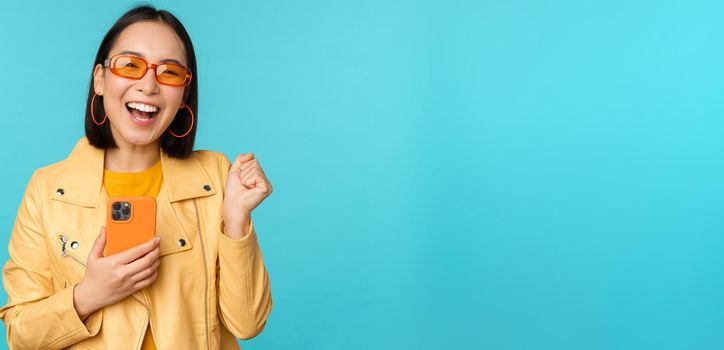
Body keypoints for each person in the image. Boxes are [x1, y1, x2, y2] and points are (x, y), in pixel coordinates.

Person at [0, 5, 273, 349]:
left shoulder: (216, 176)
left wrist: (236, 222)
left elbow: (247, 323)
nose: (148, 85)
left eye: (170, 73)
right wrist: (88, 296)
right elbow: (20, 335)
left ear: (184, 92)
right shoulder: (47, 190)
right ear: (100, 79)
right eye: (130, 65)